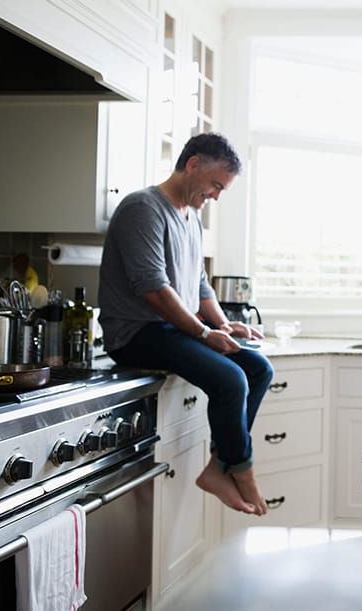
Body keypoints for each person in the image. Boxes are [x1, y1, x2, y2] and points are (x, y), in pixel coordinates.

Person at [99, 132, 274, 516]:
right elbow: (154, 291)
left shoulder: (190, 217)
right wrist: (203, 333)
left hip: (170, 330)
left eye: (222, 189)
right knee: (231, 380)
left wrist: (224, 324)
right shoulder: (142, 208)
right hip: (135, 333)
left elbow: (197, 282)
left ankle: (217, 466)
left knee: (259, 368)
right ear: (193, 164)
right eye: (215, 184)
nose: (216, 195)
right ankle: (242, 471)